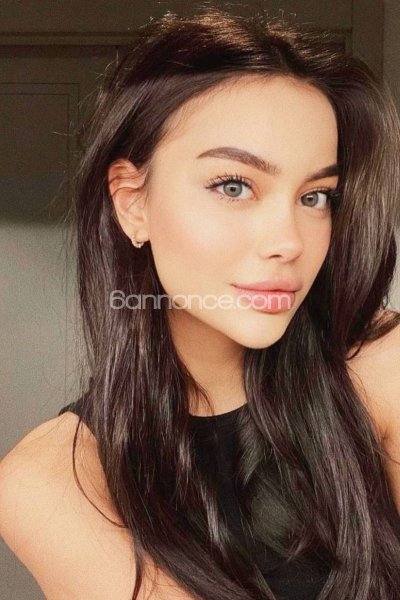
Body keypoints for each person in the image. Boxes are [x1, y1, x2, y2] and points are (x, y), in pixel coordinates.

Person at [1, 6, 400, 600]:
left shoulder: (382, 364)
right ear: (133, 203)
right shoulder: (56, 478)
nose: (289, 241)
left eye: (316, 196)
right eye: (233, 186)